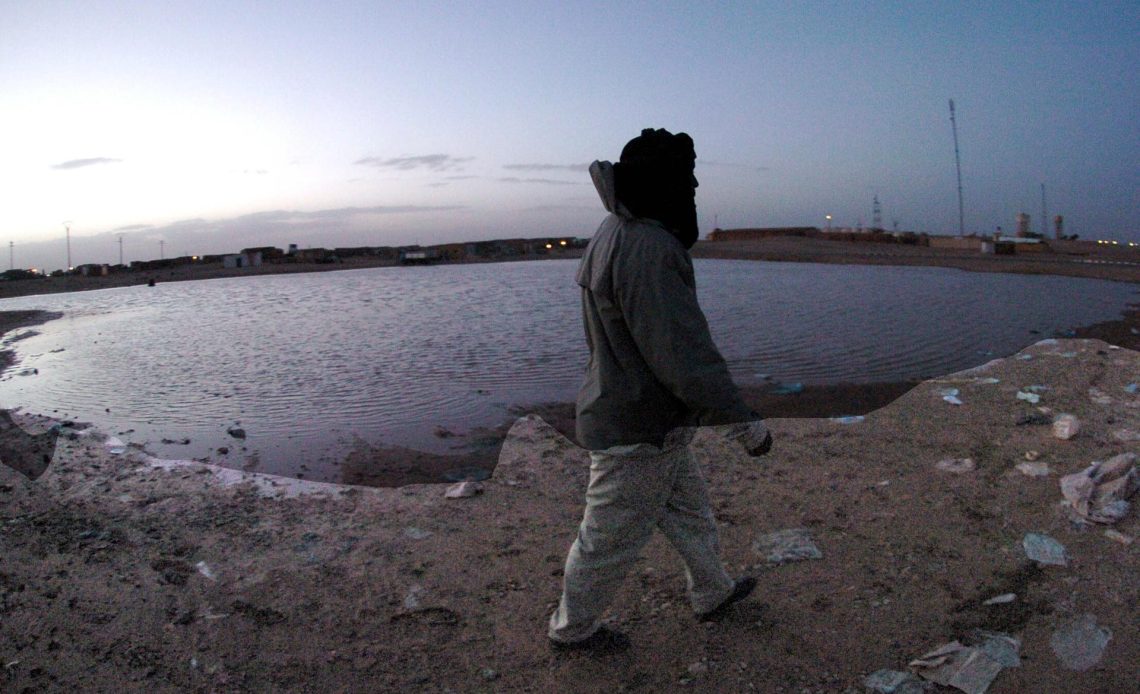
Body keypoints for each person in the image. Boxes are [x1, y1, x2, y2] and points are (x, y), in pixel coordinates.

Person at [548, 128, 772, 654]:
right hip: (636, 427)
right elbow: (684, 355)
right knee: (606, 539)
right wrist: (745, 424)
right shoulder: (649, 247)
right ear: (662, 182)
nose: (692, 187)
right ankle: (570, 630)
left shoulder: (612, 230)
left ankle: (713, 592)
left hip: (652, 422)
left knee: (690, 513)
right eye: (685, 178)